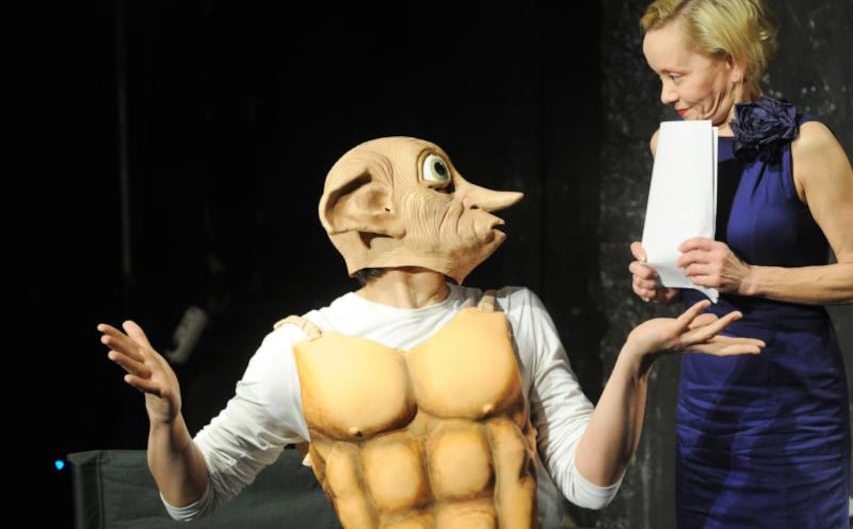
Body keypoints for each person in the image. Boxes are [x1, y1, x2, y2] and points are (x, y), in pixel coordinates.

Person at [100, 136, 765, 528]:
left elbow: (590, 486)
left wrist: (635, 360)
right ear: (372, 210)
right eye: (439, 178)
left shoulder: (514, 315)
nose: (473, 199)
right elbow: (192, 499)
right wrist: (167, 420)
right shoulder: (297, 350)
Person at [627, 0, 853, 529]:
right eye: (659, 77)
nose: (665, 95)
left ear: (734, 62)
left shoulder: (807, 146)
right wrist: (662, 282)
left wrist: (749, 278)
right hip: (709, 400)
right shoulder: (668, 145)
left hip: (793, 404)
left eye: (676, 75)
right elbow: (693, 276)